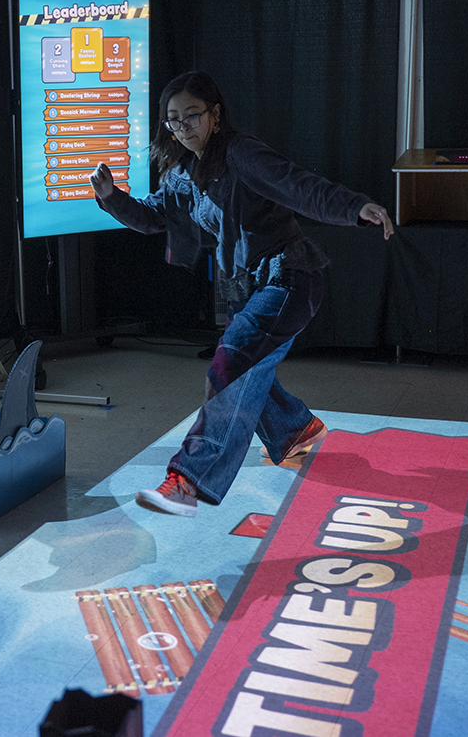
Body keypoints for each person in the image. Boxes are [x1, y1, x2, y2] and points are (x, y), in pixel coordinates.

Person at [90, 71, 393, 516]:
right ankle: (295, 431)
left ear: (215, 114)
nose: (183, 127)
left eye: (191, 116)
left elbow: (297, 184)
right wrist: (112, 197)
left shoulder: (241, 154)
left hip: (291, 277)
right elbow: (156, 217)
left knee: (232, 361)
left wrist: (354, 207)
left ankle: (189, 483)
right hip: (250, 286)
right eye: (173, 120)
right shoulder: (180, 172)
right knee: (250, 365)